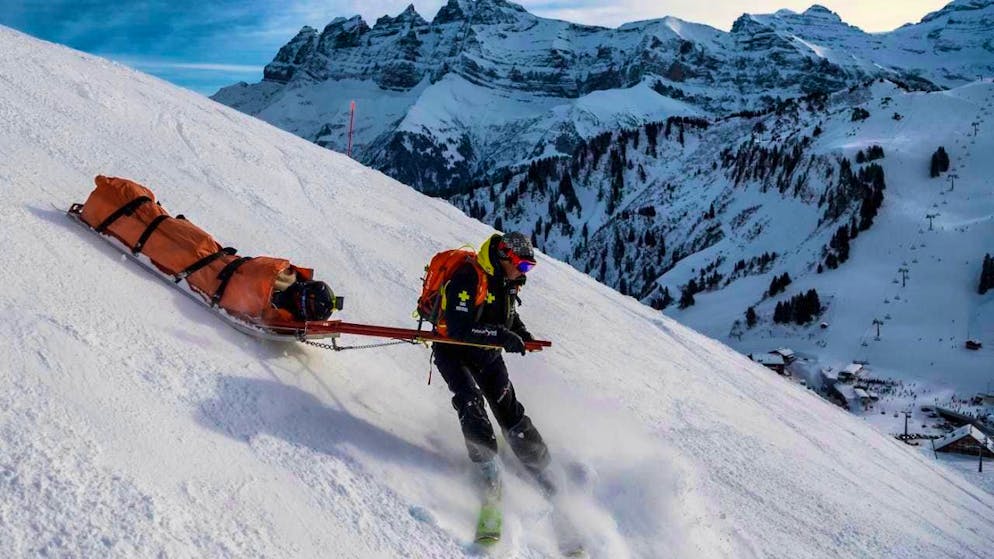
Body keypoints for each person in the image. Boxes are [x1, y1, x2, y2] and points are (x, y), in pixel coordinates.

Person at [432, 231, 552, 493]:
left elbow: (507, 314)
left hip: (486, 352)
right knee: (470, 401)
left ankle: (542, 467)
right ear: (503, 257)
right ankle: (487, 470)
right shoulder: (468, 276)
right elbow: (457, 328)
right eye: (522, 265)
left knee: (507, 408)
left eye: (529, 266)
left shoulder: (507, 280)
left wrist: (520, 333)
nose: (524, 272)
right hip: (453, 350)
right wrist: (502, 336)